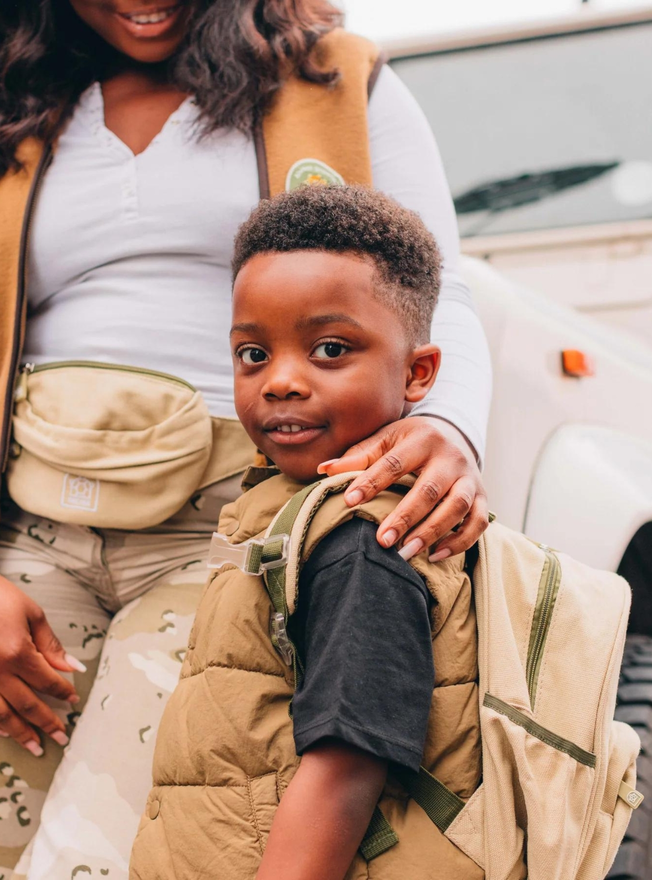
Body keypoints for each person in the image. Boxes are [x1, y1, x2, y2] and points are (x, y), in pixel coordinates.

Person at [0, 0, 490, 875]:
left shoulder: (339, 78)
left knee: (109, 851)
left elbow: (436, 290)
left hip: (233, 524)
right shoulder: (18, 100)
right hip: (29, 526)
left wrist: (448, 426)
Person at [130, 184, 483, 880]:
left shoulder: (362, 541)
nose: (280, 382)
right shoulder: (291, 509)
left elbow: (347, 765)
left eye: (328, 349)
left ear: (418, 374)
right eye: (252, 354)